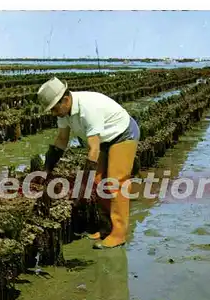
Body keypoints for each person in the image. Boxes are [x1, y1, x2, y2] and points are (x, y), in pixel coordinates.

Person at [38, 77, 140, 249]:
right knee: (99, 183)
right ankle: (106, 227)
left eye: (54, 109)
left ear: (65, 99)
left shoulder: (88, 108)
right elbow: (61, 140)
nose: (53, 113)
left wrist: (82, 185)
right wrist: (46, 170)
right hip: (102, 140)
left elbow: (93, 149)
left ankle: (119, 234)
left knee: (115, 183)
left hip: (122, 134)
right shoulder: (64, 112)